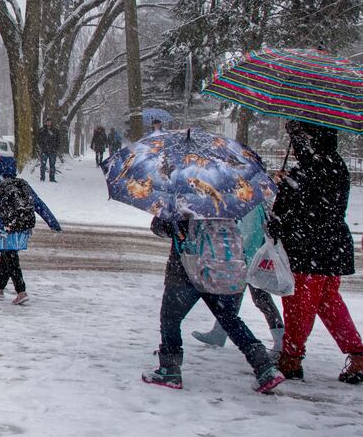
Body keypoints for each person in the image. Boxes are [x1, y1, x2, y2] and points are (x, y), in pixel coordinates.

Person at [142, 214, 284, 393]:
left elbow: (160, 227)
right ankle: (264, 367)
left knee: (170, 318)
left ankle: (170, 370)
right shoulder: (226, 202)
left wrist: (171, 224)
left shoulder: (182, 201)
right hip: (220, 270)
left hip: (186, 269)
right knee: (229, 319)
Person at [269, 120, 363, 384]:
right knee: (329, 302)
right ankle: (357, 354)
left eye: (297, 139)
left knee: (299, 304)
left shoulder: (306, 172)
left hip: (307, 249)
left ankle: (291, 358)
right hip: (332, 246)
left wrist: (285, 185)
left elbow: (285, 214)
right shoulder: (337, 166)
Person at [0, 156, 61, 305]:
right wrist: (53, 223)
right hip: (23, 227)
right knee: (7, 255)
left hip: (5, 228)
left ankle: (21, 291)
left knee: (10, 257)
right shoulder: (22, 185)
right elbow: (39, 204)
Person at [191, 204, 285, 354]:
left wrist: (241, 257)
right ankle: (219, 332)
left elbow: (249, 235)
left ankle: (281, 341)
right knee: (239, 296)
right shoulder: (253, 205)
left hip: (250, 260)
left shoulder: (252, 208)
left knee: (259, 298)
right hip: (249, 259)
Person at [38, 118, 60, 182]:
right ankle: (42, 178)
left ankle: (52, 178)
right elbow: (39, 140)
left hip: (52, 151)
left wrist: (55, 148)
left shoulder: (55, 130)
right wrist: (42, 146)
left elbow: (58, 140)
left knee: (52, 165)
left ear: (51, 122)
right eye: (47, 122)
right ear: (45, 122)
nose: (48, 123)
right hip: (44, 151)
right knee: (43, 165)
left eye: (49, 122)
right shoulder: (42, 130)